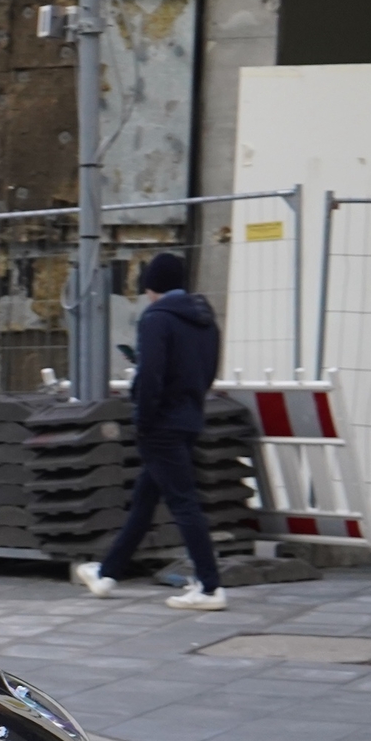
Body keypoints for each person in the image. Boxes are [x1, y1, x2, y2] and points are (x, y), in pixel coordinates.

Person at [72, 251, 227, 611]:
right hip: (189, 417)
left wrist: (143, 418)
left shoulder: (156, 318)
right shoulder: (205, 319)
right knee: (145, 500)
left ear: (151, 287)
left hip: (161, 423)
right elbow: (208, 370)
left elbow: (151, 374)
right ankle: (107, 573)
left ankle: (209, 586)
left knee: (183, 502)